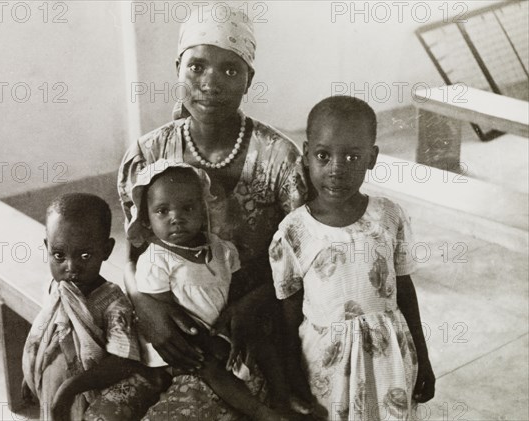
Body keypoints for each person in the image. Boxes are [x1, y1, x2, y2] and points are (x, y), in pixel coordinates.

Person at [116, 4, 308, 420]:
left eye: (229, 70)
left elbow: (304, 259)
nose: (210, 83)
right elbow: (133, 247)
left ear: (248, 79)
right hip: (167, 326)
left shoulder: (279, 159)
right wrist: (146, 305)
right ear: (178, 68)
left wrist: (252, 305)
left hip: (248, 331)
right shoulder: (149, 153)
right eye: (197, 67)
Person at [269, 96, 436, 420]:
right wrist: (292, 376)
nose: (336, 169)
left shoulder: (389, 216)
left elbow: (405, 290)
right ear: (306, 155)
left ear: (371, 157)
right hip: (327, 365)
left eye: (352, 156)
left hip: (391, 363)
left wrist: (423, 357)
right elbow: (288, 316)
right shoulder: (292, 232)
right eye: (323, 155)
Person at [128, 160, 304, 420]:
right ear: (147, 219)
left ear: (203, 210)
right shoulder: (156, 260)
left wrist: (235, 328)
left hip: (220, 328)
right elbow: (163, 314)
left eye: (187, 208)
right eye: (162, 211)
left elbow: (230, 289)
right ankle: (262, 413)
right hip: (188, 345)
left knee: (263, 342)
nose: (176, 218)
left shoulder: (219, 248)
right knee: (211, 368)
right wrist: (205, 341)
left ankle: (282, 400)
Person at [22, 193, 155, 421]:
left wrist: (70, 388)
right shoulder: (56, 287)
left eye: (85, 255)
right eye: (59, 255)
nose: (71, 267)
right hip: (54, 387)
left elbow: (122, 361)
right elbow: (47, 334)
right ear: (47, 247)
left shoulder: (113, 303)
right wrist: (31, 371)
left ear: (106, 250)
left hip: (88, 394)